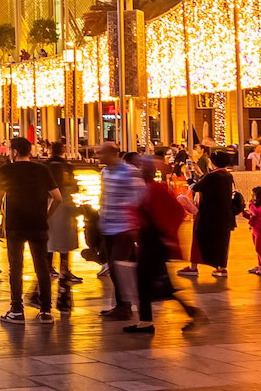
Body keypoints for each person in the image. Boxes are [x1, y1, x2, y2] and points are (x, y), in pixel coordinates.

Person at [125, 156, 200, 334]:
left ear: (150, 172)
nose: (141, 171)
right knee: (157, 284)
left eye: (144, 168)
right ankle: (149, 320)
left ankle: (148, 321)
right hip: (151, 241)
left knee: (149, 282)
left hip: (155, 243)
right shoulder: (149, 189)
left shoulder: (156, 189)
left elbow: (175, 211)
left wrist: (166, 234)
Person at [0, 140, 57, 321]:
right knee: (42, 268)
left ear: (14, 152)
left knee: (16, 267)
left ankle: (16, 310)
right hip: (38, 223)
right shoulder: (42, 169)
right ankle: (46, 311)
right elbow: (57, 197)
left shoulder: (7, 170)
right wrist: (46, 215)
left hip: (15, 224)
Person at [96, 142, 141, 322]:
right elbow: (104, 195)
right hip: (108, 226)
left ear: (112, 153)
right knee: (117, 267)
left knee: (117, 266)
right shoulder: (105, 172)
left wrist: (135, 225)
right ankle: (122, 304)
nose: (98, 156)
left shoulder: (129, 172)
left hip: (124, 227)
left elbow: (139, 197)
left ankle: (125, 305)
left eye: (101, 153)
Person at [186, 152, 238, 276]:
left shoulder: (211, 177)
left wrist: (188, 177)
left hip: (208, 216)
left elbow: (195, 187)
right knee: (221, 242)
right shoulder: (227, 176)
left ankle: (193, 267)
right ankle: (221, 267)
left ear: (213, 162)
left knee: (199, 240)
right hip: (224, 216)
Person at [42, 140, 79, 308]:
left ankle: (48, 268)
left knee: (49, 242)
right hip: (65, 208)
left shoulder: (44, 167)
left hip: (49, 207)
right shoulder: (68, 167)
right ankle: (64, 271)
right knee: (64, 246)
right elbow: (75, 187)